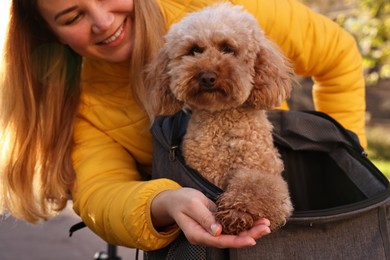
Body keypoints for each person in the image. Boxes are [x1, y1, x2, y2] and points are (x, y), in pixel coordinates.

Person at [0, 0, 366, 252]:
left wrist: (346, 155)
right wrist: (160, 202)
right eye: (71, 16)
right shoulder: (84, 105)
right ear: (52, 33)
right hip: (188, 241)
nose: (103, 21)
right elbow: (99, 194)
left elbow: (337, 54)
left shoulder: (223, 10)